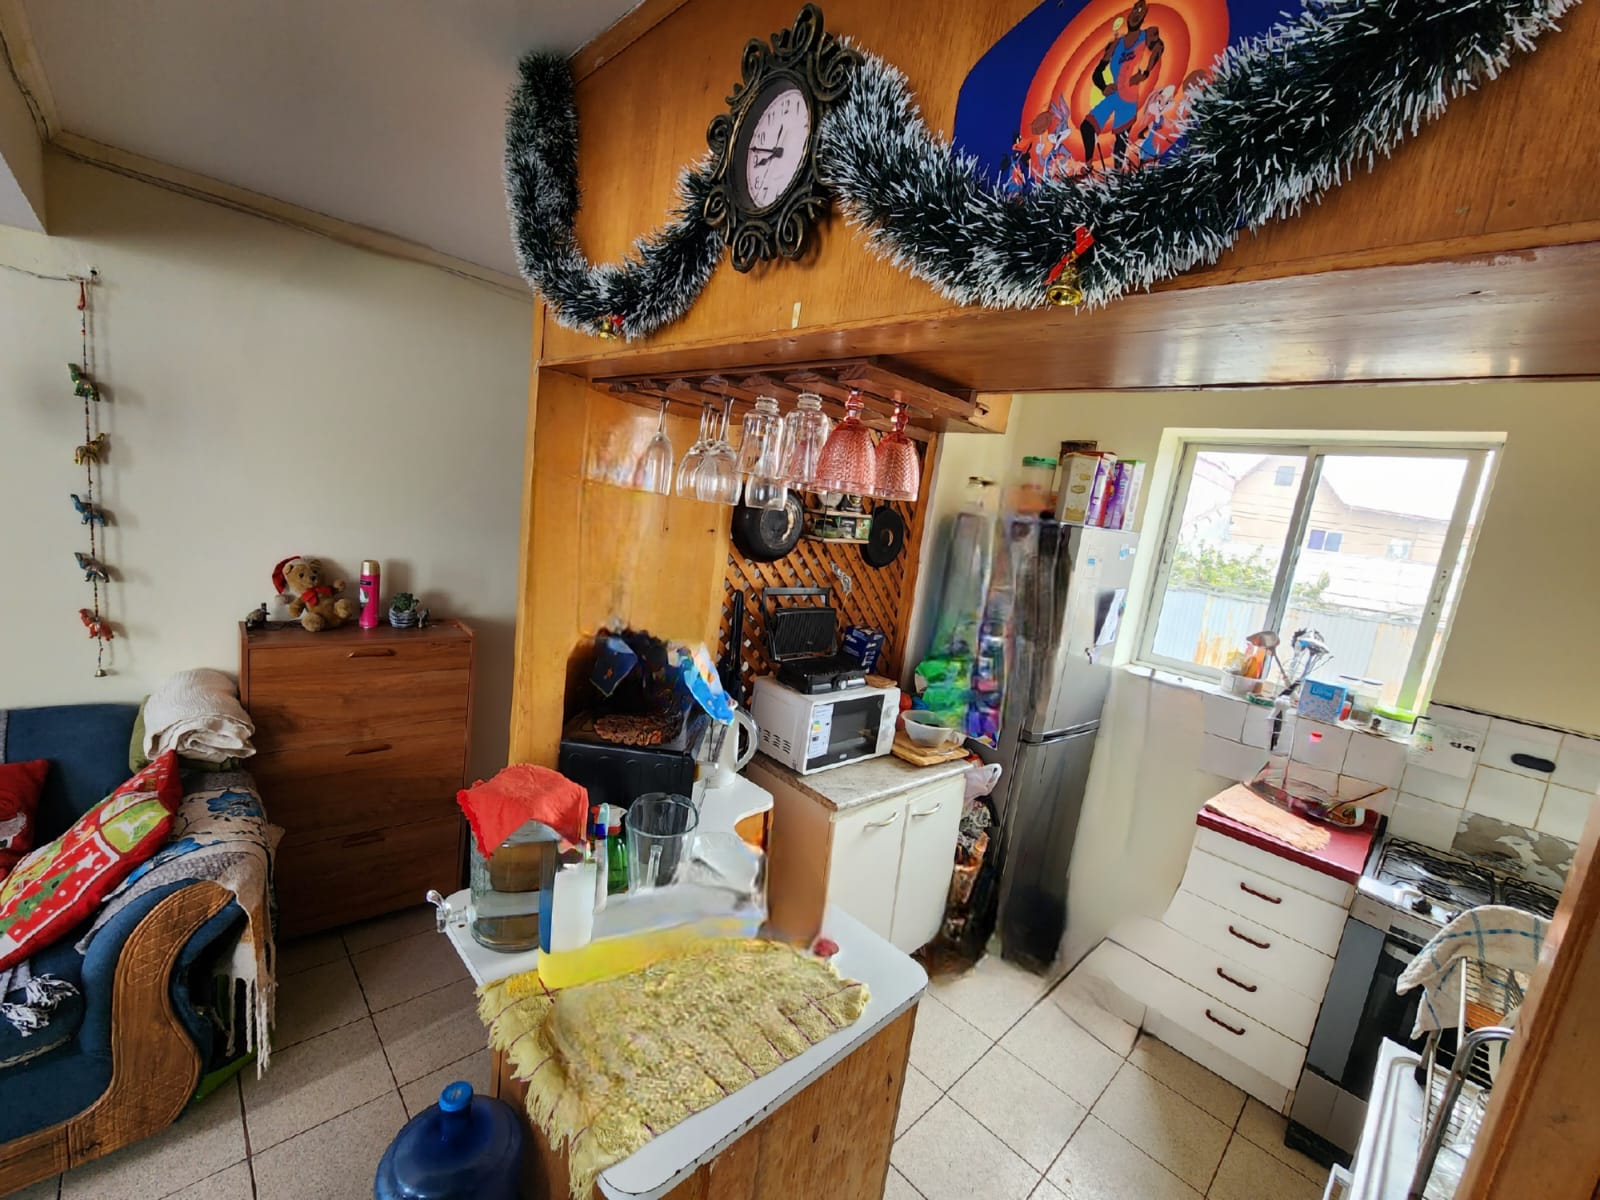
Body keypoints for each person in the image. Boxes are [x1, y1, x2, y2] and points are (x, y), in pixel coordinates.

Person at [1079, 0, 1165, 168]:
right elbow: (1097, 73)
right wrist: (1104, 87)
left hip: (1129, 97)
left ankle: (1118, 175)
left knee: (1120, 140)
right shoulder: (1115, 44)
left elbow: (1158, 48)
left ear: (1144, 16)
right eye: (1135, 9)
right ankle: (1088, 166)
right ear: (1129, 14)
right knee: (1087, 126)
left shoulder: (1147, 34)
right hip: (1114, 93)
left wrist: (1145, 73)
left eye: (1141, 11)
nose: (1136, 14)